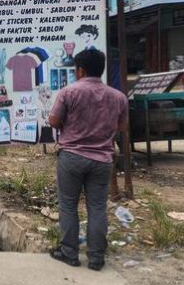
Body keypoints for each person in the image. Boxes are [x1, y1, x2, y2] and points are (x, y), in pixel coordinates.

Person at [48, 49, 128, 271]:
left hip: (72, 157)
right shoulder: (118, 97)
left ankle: (69, 253)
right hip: (103, 160)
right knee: (97, 207)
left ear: (80, 70)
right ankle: (96, 258)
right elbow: (122, 127)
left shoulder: (68, 92)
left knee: (68, 205)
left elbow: (54, 121)